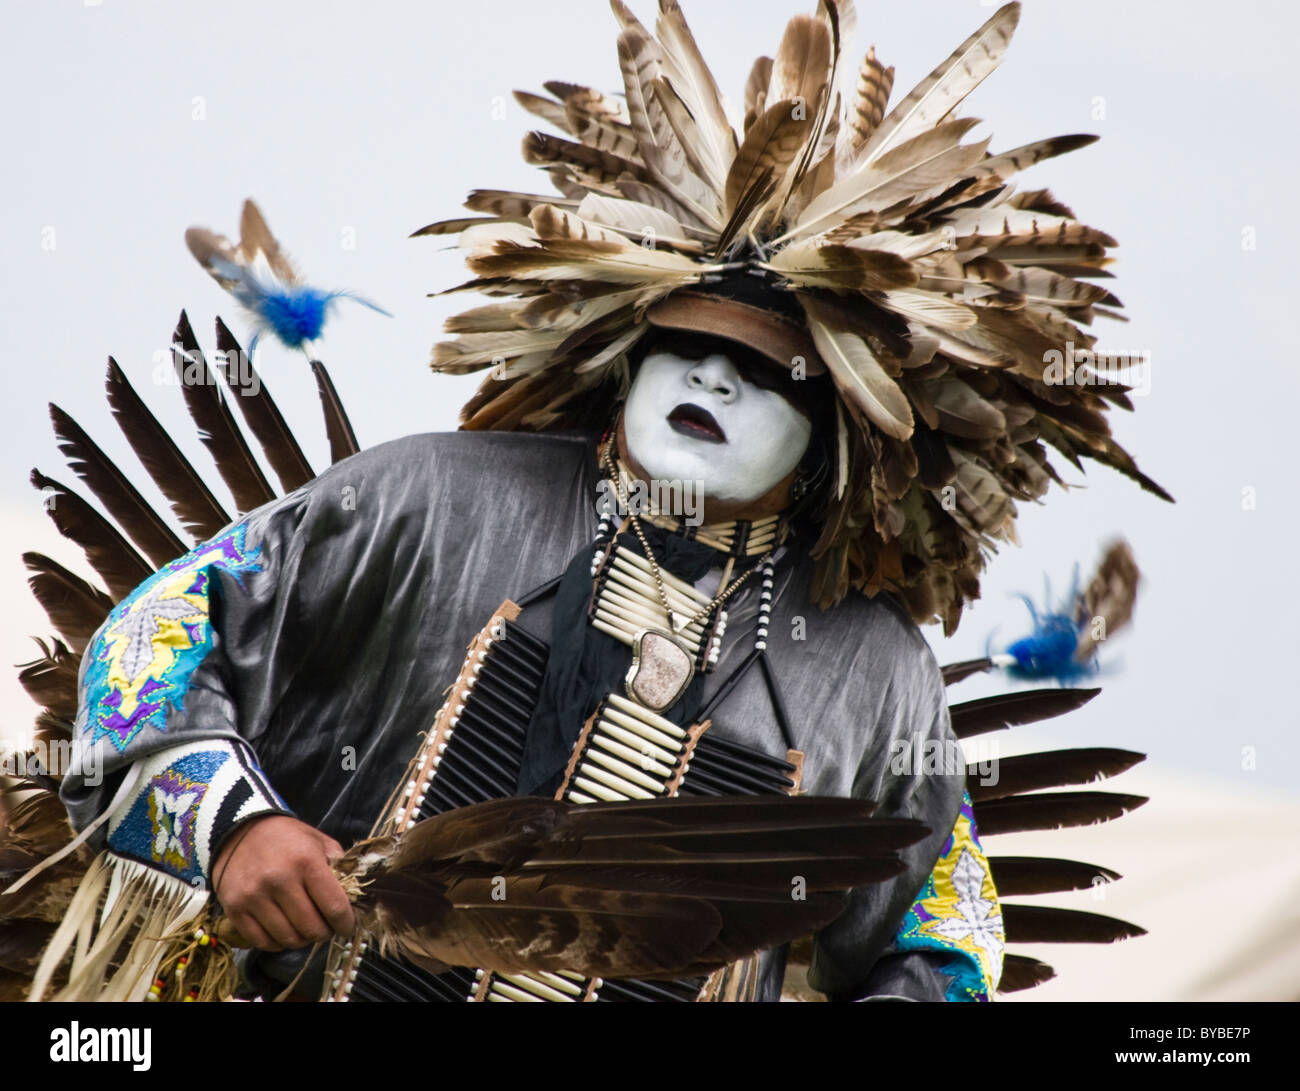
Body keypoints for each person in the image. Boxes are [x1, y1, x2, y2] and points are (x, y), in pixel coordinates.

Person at [23, 0, 1163, 1003]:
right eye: (687, 347)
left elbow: (943, 937)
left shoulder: (870, 669)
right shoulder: (431, 501)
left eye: (769, 371)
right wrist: (236, 823)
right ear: (624, 357)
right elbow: (155, 638)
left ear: (842, 434)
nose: (715, 378)